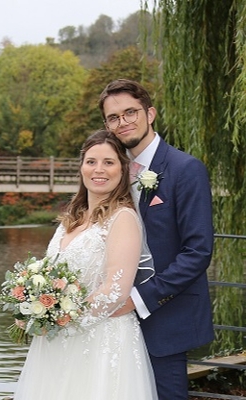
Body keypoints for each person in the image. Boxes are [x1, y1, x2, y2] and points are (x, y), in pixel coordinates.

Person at [13, 130, 157, 400]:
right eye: (91, 161)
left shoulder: (122, 218)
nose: (98, 169)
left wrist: (62, 318)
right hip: (57, 342)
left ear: (123, 169)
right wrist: (32, 311)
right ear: (81, 167)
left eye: (109, 162)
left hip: (101, 342)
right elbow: (49, 274)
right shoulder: (71, 219)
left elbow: (116, 288)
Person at [98, 79, 214, 400]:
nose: (123, 122)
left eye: (130, 113)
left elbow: (198, 251)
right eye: (113, 118)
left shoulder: (185, 169)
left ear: (150, 114)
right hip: (112, 324)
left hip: (165, 317)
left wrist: (138, 299)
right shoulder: (111, 172)